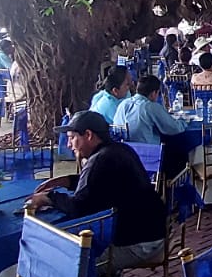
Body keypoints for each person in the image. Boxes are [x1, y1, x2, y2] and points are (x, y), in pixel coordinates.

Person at [28, 111, 166, 268]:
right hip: (154, 234)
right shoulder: (119, 149)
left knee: (67, 266)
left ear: (88, 135)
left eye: (72, 138)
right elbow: (99, 184)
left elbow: (78, 207)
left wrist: (48, 198)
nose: (68, 145)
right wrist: (68, 181)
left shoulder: (100, 160)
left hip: (139, 245)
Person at [113, 75, 188, 174]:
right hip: (147, 159)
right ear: (153, 93)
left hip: (123, 157)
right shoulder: (150, 107)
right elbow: (173, 128)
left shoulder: (122, 104)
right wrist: (184, 121)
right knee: (178, 151)